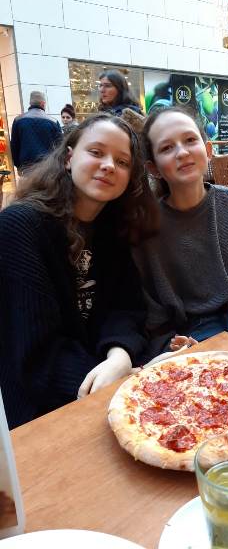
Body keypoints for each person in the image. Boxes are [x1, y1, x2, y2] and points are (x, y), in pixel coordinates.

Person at [0, 113, 159, 429]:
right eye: (96, 152)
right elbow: (36, 354)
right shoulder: (19, 227)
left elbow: (127, 308)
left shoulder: (111, 228)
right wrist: (118, 383)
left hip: (103, 385)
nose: (109, 165)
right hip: (39, 413)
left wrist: (119, 356)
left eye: (122, 162)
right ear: (69, 158)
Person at [134, 106, 228, 356]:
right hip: (195, 334)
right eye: (167, 148)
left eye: (190, 140)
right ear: (153, 168)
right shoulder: (147, 225)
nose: (182, 152)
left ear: (208, 151)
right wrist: (167, 344)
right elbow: (152, 310)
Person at [10, 91, 62, 174]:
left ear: (30, 103)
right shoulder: (53, 122)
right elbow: (59, 147)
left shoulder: (18, 120)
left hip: (26, 167)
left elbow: (14, 146)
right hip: (47, 167)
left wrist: (18, 166)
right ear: (43, 103)